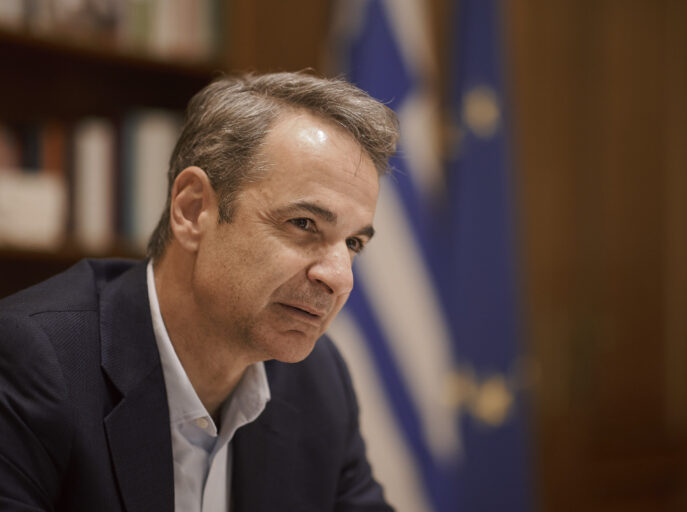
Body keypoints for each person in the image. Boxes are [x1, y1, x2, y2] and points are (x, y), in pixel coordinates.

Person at [0, 71, 399, 511]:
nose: (340, 278)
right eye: (304, 223)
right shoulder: (35, 361)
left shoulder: (318, 379)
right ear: (192, 210)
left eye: (353, 243)